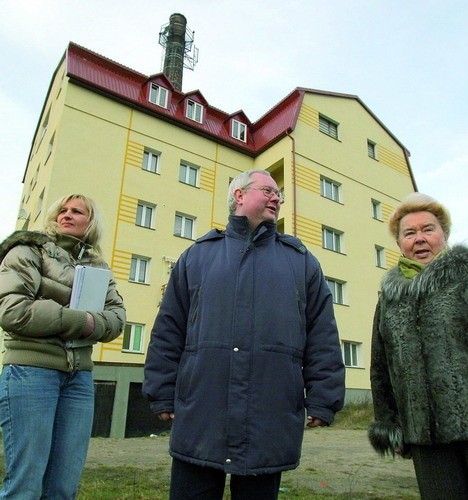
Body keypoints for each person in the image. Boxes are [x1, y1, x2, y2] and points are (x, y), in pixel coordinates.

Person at [143, 169, 345, 499]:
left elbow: (322, 332)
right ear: (239, 196)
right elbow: (169, 328)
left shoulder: (300, 261)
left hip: (269, 413)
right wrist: (161, 390)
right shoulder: (198, 256)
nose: (276, 198)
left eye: (278, 193)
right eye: (267, 190)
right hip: (201, 410)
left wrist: (324, 397)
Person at [368, 192, 468, 499]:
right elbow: (380, 366)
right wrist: (390, 424)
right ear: (399, 243)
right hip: (425, 436)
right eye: (409, 233)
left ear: (445, 234)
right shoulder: (390, 298)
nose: (420, 239)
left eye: (428, 229)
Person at [0, 194, 126, 499]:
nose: (66, 215)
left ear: (91, 221)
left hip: (79, 378)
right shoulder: (28, 250)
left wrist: (92, 322)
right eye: (62, 210)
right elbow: (12, 310)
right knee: (26, 485)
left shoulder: (98, 266)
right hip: (31, 372)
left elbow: (118, 318)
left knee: (63, 487)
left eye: (77, 211)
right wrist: (83, 320)